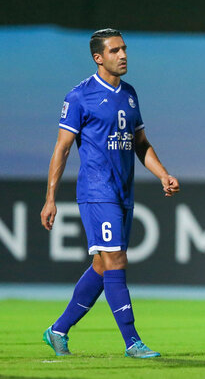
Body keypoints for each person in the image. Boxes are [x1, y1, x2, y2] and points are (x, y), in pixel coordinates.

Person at [40, 28, 180, 358]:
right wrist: (50, 198)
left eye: (124, 48)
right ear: (98, 58)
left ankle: (58, 329)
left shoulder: (130, 94)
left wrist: (163, 174)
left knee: (103, 266)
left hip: (123, 193)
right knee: (116, 259)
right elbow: (62, 149)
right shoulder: (79, 96)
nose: (123, 55)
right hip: (96, 191)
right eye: (115, 50)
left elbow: (141, 144)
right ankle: (133, 342)